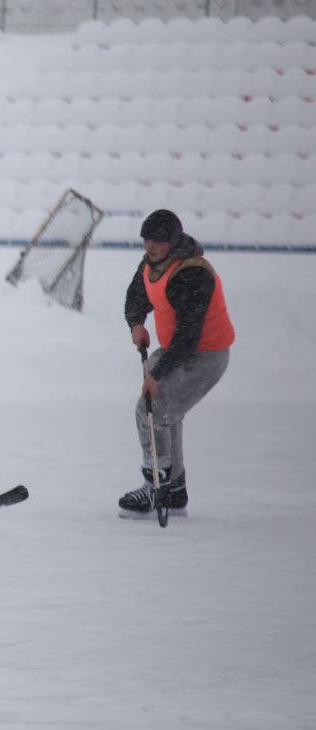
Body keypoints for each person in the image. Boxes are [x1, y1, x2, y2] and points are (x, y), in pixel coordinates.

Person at [119, 209, 234, 519]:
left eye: (157, 241)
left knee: (152, 410)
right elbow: (135, 297)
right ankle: (172, 490)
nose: (150, 247)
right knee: (164, 413)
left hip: (204, 355)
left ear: (173, 241)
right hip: (176, 350)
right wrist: (136, 324)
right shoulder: (152, 264)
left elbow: (188, 335)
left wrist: (157, 374)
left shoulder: (192, 273)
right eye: (146, 241)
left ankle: (156, 485)